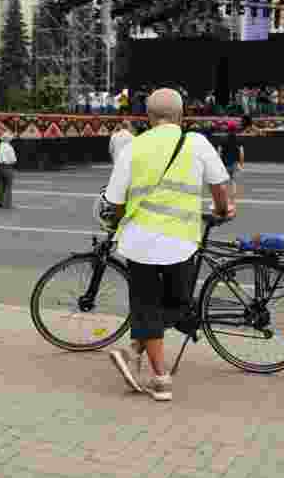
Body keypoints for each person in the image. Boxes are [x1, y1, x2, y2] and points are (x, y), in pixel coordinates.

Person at [104, 88, 235, 401]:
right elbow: (219, 183)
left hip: (139, 243)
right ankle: (157, 374)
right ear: (182, 115)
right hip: (182, 242)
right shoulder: (197, 142)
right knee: (178, 304)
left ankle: (145, 360)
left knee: (147, 306)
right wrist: (220, 210)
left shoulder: (132, 148)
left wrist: (123, 218)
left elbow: (115, 200)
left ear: (148, 118)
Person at [216, 121, 245, 200]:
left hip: (224, 164)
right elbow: (241, 153)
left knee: (224, 181)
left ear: (227, 129)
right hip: (235, 163)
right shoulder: (239, 139)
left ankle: (224, 197)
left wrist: (218, 164)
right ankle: (232, 198)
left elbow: (218, 153)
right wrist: (241, 164)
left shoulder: (222, 139)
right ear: (235, 129)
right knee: (233, 180)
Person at [0, 130, 17, 209]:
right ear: (8, 139)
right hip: (7, 167)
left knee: (0, 186)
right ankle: (7, 204)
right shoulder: (10, 147)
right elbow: (13, 160)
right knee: (8, 186)